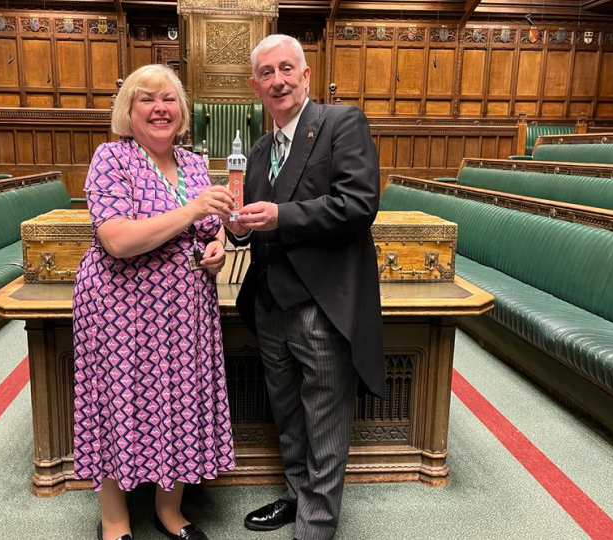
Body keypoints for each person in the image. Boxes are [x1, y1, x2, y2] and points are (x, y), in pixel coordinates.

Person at [224, 35, 385, 540]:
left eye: (287, 69)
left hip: (322, 303)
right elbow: (252, 221)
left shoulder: (341, 124)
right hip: (270, 302)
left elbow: (359, 204)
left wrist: (281, 216)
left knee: (325, 418)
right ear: (256, 86)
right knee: (288, 413)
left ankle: (315, 525)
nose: (279, 80)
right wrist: (236, 228)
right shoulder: (257, 149)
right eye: (267, 73)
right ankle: (297, 495)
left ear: (306, 74)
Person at [72, 64, 237, 540]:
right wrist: (192, 210)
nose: (159, 108)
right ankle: (115, 518)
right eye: (146, 99)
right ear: (129, 110)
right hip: (120, 308)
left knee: (181, 401)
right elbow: (118, 240)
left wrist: (216, 248)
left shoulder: (192, 164)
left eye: (169, 99)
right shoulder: (112, 158)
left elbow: (208, 231)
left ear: (182, 112)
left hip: (185, 310)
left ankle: (170, 509)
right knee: (115, 402)